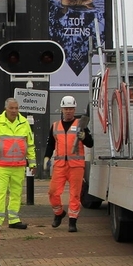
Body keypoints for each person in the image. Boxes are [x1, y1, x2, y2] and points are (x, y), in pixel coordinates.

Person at [0, 98, 36, 229]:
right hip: (1, 166)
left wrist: (33, 163)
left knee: (16, 193)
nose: (14, 111)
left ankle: (14, 219)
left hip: (18, 165)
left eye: (16, 108)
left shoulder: (24, 122)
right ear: (6, 109)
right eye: (11, 108)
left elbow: (30, 144)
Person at [44, 95, 94, 232]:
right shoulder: (55, 126)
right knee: (53, 192)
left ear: (74, 109)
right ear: (62, 109)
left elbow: (90, 143)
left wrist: (84, 137)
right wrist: (46, 157)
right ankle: (59, 213)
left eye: (71, 108)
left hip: (76, 166)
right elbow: (50, 144)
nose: (68, 111)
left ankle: (73, 221)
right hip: (60, 165)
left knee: (75, 194)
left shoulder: (81, 125)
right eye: (66, 108)